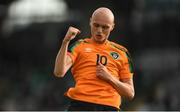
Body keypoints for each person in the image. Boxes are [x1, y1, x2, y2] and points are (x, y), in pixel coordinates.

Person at [54, 7, 135, 111]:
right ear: (90, 22)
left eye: (105, 27)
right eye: (96, 25)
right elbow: (59, 72)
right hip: (81, 104)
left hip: (109, 107)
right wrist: (65, 41)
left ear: (112, 27)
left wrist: (109, 77)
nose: (99, 31)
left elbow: (130, 93)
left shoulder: (122, 53)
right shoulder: (79, 46)